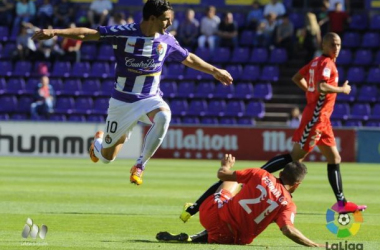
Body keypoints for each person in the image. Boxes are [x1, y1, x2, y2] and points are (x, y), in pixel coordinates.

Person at [32, 0, 233, 186]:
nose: (169, 23)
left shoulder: (167, 40)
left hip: (150, 99)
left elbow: (189, 58)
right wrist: (56, 32)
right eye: (166, 19)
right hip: (122, 102)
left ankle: (140, 165)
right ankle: (99, 144)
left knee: (164, 115)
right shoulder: (124, 32)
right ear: (152, 18)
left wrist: (215, 70)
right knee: (107, 158)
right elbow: (88, 34)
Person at [259, 32, 366, 213]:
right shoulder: (326, 63)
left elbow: (297, 78)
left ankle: (342, 204)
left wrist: (310, 94)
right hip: (316, 119)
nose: (336, 48)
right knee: (295, 157)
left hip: (324, 120)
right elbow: (321, 86)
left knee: (334, 158)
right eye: (333, 44)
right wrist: (342, 89)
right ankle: (258, 176)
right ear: (324, 45)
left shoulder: (316, 62)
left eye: (339, 44)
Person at [157, 154, 324, 247]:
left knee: (233, 181)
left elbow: (222, 175)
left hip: (212, 216)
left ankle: (192, 211)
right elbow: (288, 230)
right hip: (234, 239)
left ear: (280, 174)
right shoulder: (288, 205)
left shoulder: (260, 174)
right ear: (297, 185)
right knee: (262, 215)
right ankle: (198, 237)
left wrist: (226, 166)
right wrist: (314, 245)